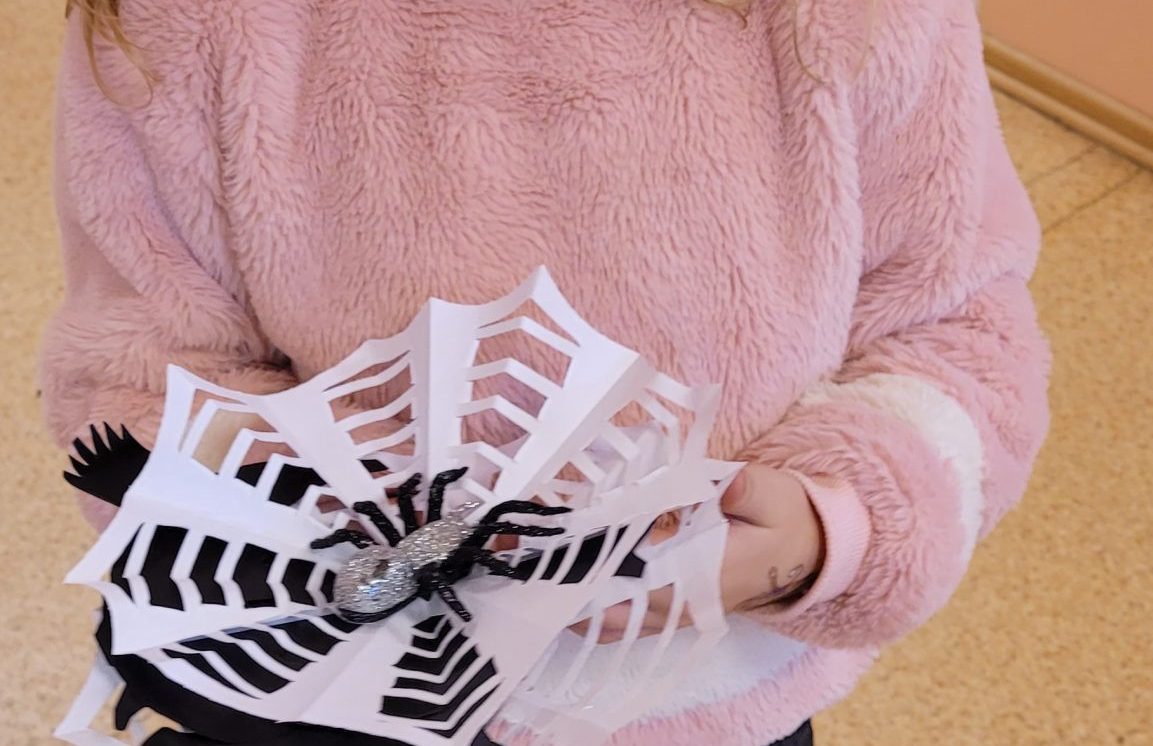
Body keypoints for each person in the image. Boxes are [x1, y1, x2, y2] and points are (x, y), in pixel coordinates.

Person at [41, 0, 1051, 744]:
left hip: (707, 693)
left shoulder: (858, 18)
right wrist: (319, 534)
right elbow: (140, 371)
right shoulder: (184, 22)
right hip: (321, 685)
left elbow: (955, 330)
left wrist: (834, 528)